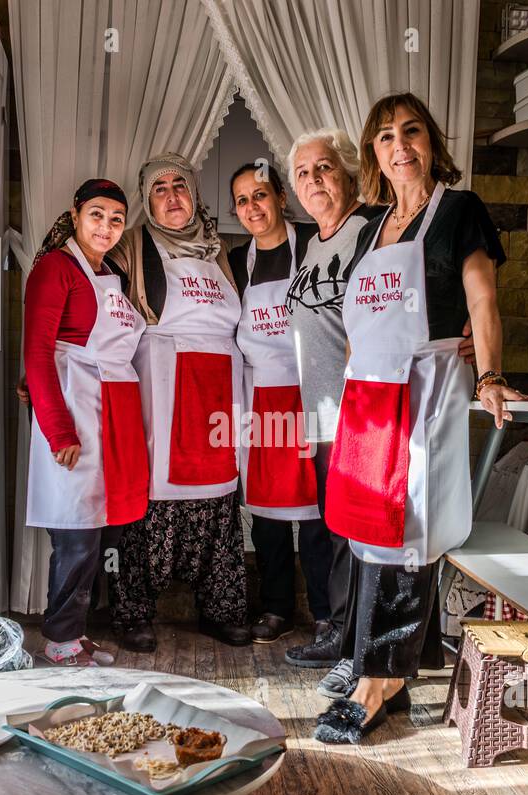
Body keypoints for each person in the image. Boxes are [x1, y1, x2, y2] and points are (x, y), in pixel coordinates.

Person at [314, 93, 527, 743]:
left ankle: (378, 679)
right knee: (366, 527)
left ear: (431, 141)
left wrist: (488, 374)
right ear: (373, 153)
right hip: (368, 394)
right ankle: (401, 668)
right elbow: (359, 323)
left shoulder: (460, 212)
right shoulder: (371, 228)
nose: (399, 145)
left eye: (411, 132)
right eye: (385, 136)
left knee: (408, 530)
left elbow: (482, 300)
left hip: (427, 383)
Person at [106, 153, 250, 651]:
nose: (172, 196)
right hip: (162, 380)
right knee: (155, 492)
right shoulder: (129, 246)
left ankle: (220, 608)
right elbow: (80, 277)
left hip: (220, 385)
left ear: (194, 193)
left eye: (180, 186)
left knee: (219, 493)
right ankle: (134, 613)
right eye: (160, 188)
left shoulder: (221, 250)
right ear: (147, 199)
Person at [20, 178, 148, 667]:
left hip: (113, 410)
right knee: (75, 534)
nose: (107, 227)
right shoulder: (56, 268)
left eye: (116, 219)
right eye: (97, 215)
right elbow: (36, 353)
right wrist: (58, 431)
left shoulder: (110, 272)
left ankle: (74, 633)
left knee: (98, 533)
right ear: (76, 214)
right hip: (75, 406)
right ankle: (59, 642)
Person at [279, 129, 384, 699]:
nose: (313, 180)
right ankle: (341, 633)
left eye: (323, 169)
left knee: (358, 533)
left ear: (346, 172)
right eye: (302, 173)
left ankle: (357, 650)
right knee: (334, 527)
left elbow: (399, 302)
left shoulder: (371, 231)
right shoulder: (314, 242)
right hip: (319, 412)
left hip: (358, 411)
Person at [226, 161, 330, 644]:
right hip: (260, 396)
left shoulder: (314, 243)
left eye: (261, 195)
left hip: (314, 390)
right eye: (243, 200)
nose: (253, 207)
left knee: (317, 511)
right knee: (266, 511)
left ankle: (328, 612)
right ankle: (276, 608)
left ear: (282, 199)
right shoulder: (234, 260)